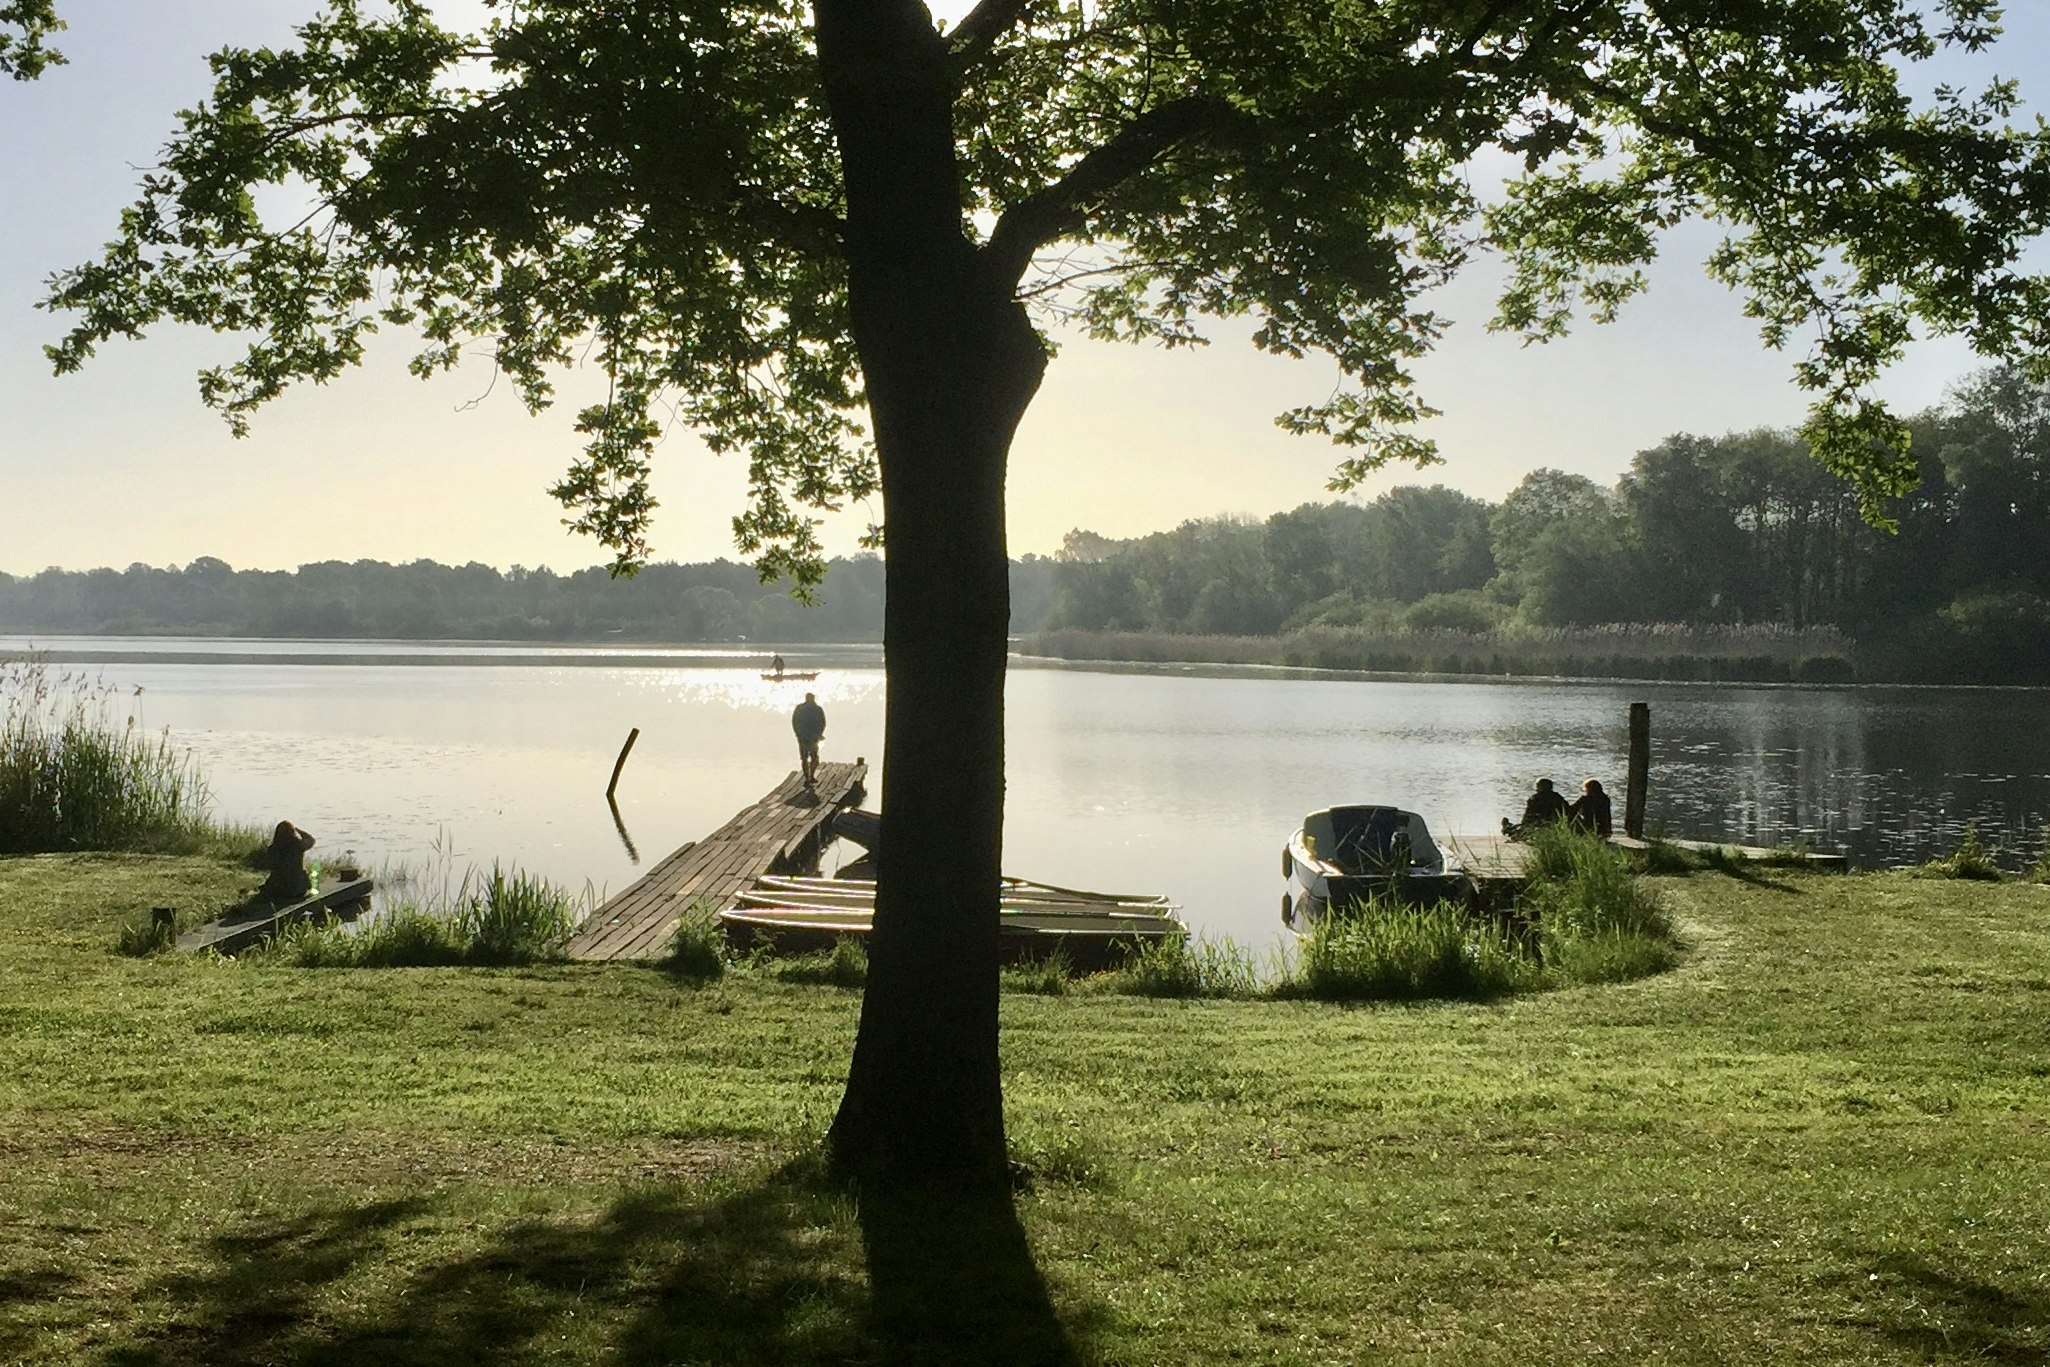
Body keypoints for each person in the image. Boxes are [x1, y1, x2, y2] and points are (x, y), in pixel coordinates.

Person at [257, 820, 316, 903]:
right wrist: (298, 830)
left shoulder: (273, 849)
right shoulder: (298, 845)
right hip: (298, 889)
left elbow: (270, 866)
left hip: (279, 891)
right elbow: (311, 840)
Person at [1501, 778, 1570, 839]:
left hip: (1536, 826)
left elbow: (1528, 816)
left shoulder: (1534, 799)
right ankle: (1509, 826)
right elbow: (1567, 810)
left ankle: (1508, 826)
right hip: (1553, 826)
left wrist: (1524, 824)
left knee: (1517, 831)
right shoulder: (1557, 798)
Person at [791, 692, 826, 787]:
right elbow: (822, 722)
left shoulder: (799, 708)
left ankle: (807, 777)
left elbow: (794, 721)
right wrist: (819, 734)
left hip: (803, 737)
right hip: (812, 738)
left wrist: (798, 733)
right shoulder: (818, 709)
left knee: (804, 758)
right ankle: (811, 776)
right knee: (814, 758)